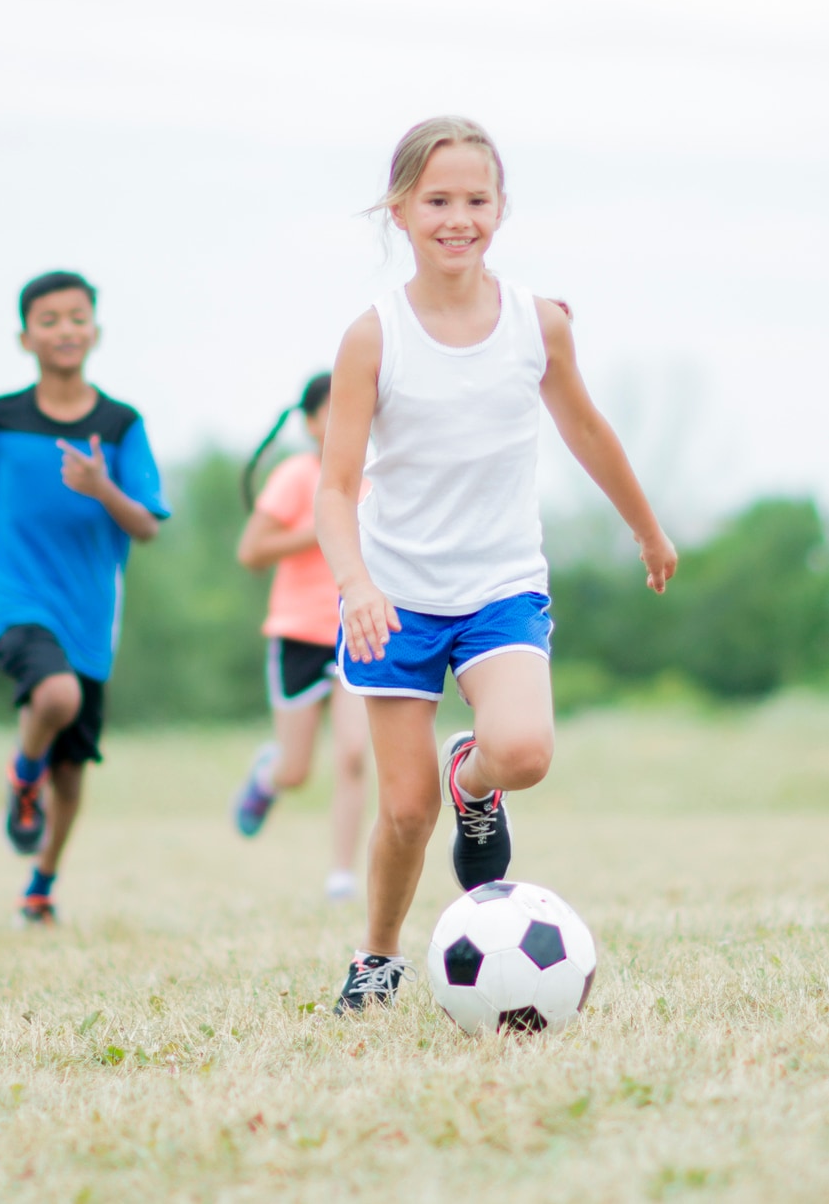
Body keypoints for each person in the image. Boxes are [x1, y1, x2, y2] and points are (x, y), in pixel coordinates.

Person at [316, 117, 676, 1014]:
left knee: (521, 752)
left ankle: (469, 777)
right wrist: (356, 582)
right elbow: (334, 488)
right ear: (399, 210)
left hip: (499, 588)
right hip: (392, 598)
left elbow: (586, 428)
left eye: (475, 200)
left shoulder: (535, 324)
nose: (457, 218)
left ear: (500, 209)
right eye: (437, 200)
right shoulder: (373, 337)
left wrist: (645, 527)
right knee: (402, 814)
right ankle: (377, 955)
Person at [0, 271, 168, 926]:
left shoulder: (120, 425)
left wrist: (100, 487)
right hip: (12, 584)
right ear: (24, 336)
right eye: (49, 319)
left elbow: (144, 524)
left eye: (76, 317)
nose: (64, 330)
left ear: (95, 330)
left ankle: (40, 887)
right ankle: (20, 775)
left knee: (73, 767)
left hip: (89, 606)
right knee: (56, 696)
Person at [228, 372, 371, 902]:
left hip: (359, 630)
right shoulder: (295, 477)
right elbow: (251, 552)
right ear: (310, 423)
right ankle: (269, 776)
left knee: (354, 755)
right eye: (331, 411)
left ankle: (341, 875)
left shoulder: (382, 478)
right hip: (298, 634)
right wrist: (322, 525)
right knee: (297, 770)